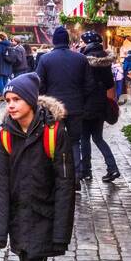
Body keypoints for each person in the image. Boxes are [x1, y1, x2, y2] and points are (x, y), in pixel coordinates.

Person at [0, 72, 76, 261]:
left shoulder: (55, 132)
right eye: (8, 100)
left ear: (30, 100)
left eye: (16, 99)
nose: (11, 105)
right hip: (19, 213)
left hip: (45, 212)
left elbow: (66, 183)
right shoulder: (7, 133)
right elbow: (0, 182)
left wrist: (61, 230)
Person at [34, 25, 90, 183]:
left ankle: (53, 176)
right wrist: (81, 101)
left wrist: (44, 100)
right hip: (76, 107)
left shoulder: (45, 59)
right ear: (67, 40)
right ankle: (76, 177)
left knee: (52, 140)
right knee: (74, 142)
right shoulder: (80, 59)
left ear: (54, 41)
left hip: (53, 108)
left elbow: (39, 84)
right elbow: (89, 85)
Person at [79, 31, 121, 183]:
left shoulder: (84, 60)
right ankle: (113, 168)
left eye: (82, 41)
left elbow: (83, 84)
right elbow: (110, 86)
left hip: (86, 104)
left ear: (88, 43)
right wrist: (110, 104)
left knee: (84, 138)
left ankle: (86, 171)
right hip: (101, 105)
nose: (81, 44)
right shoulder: (106, 62)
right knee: (98, 138)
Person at [0, 32, 14, 96]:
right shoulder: (10, 44)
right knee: (5, 80)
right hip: (8, 65)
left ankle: (2, 95)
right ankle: (5, 94)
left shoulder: (0, 44)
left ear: (0, 38)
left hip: (0, 65)